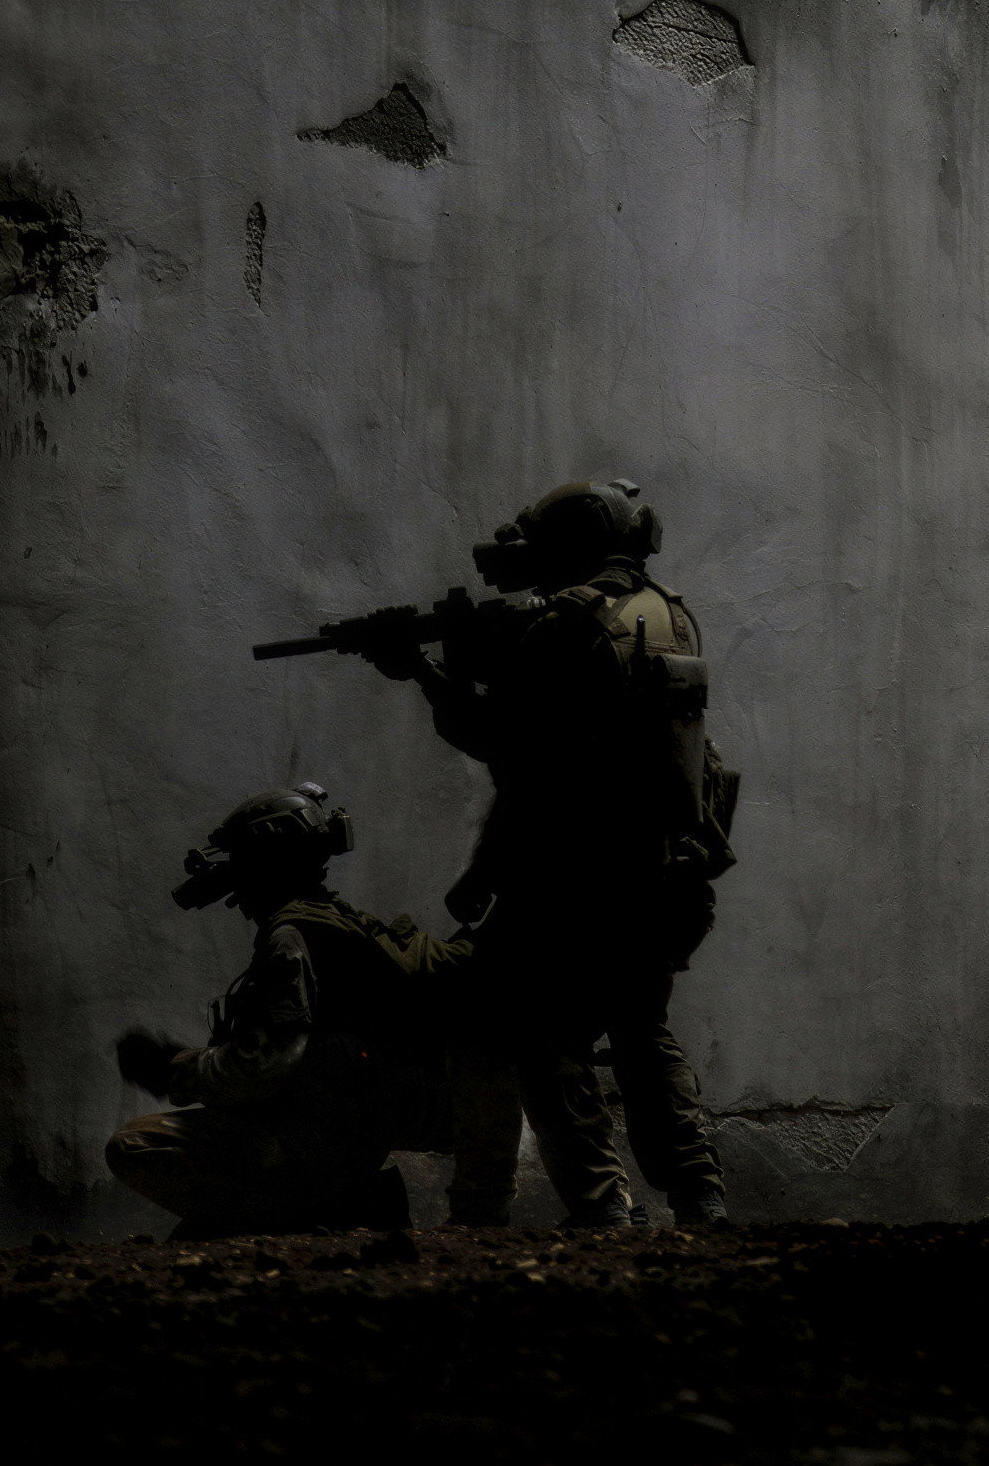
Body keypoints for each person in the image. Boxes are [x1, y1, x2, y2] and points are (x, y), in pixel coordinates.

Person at [370, 478, 738, 1229]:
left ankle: (602, 1204)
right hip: (664, 866)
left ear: (568, 546)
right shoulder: (668, 611)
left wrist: (428, 671)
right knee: (641, 1028)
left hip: (575, 876)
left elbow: (504, 744)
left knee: (545, 1038)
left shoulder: (565, 624)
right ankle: (700, 1191)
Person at [108, 783, 517, 1236]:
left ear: (267, 863)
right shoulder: (340, 923)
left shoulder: (292, 937)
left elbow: (266, 1065)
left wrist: (173, 1069)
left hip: (322, 1134)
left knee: (134, 1145)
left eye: (242, 861)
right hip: (364, 1125)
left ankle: (336, 1210)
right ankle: (347, 1204)